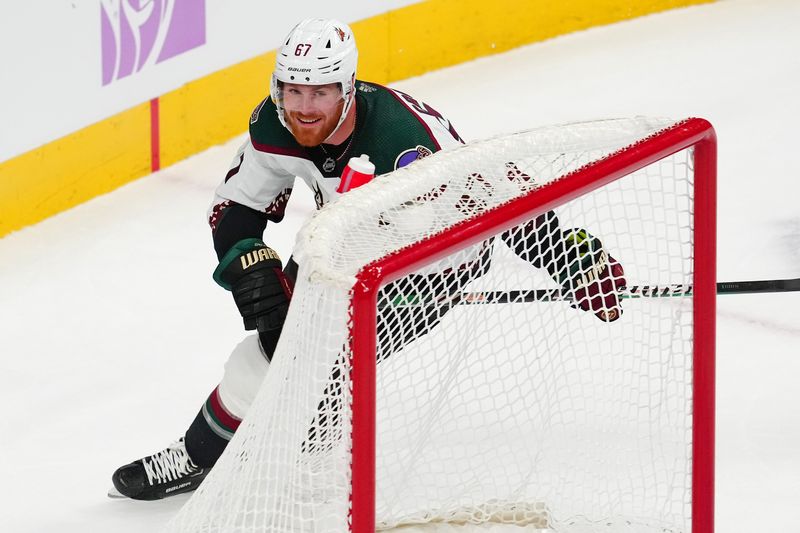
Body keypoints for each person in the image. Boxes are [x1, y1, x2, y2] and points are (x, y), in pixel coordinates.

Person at [110, 18, 625, 501]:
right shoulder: (274, 124)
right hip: (344, 241)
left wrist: (575, 261)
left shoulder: (407, 142)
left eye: (320, 92)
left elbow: (503, 202)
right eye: (294, 90)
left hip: (433, 261)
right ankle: (206, 454)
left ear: (347, 88)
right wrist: (251, 264)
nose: (304, 107)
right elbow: (237, 205)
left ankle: (288, 455)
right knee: (276, 344)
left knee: (316, 353)